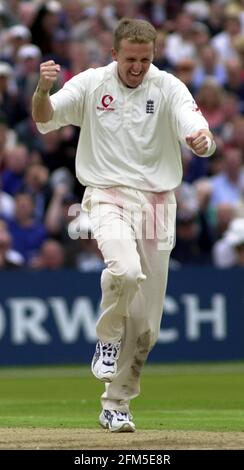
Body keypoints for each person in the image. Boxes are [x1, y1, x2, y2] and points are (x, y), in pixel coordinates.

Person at [32, 17, 216, 433]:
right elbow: (46, 117)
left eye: (145, 60)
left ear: (154, 56)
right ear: (114, 53)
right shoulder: (92, 82)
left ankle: (116, 405)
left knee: (148, 327)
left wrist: (201, 139)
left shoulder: (167, 85)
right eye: (130, 59)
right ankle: (108, 337)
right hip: (106, 194)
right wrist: (43, 88)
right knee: (125, 270)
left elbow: (194, 124)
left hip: (157, 204)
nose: (137, 67)